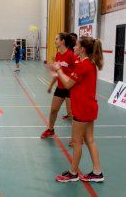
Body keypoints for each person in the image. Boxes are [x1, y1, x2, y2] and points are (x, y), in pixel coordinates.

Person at [49, 37, 104, 183]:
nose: (74, 47)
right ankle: (97, 172)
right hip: (90, 107)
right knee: (90, 140)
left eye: (77, 45)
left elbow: (67, 84)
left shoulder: (83, 65)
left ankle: (73, 173)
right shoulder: (88, 63)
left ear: (83, 49)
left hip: (82, 108)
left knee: (76, 142)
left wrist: (58, 69)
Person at [41, 33, 75, 139]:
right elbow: (58, 72)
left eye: (56, 39)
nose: (55, 41)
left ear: (62, 41)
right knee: (53, 110)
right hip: (60, 88)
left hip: (70, 88)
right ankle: (50, 130)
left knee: (72, 114)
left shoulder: (71, 55)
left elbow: (77, 72)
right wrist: (51, 85)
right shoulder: (58, 55)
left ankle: (76, 137)